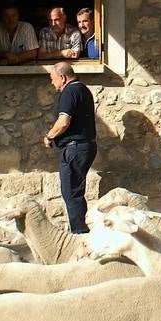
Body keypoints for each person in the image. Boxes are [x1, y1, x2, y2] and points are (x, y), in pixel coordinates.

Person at [42, 62, 97, 233]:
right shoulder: (83, 90)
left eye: (53, 79)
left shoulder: (69, 91)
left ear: (62, 77)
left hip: (74, 148)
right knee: (75, 191)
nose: (52, 83)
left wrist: (49, 136)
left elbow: (63, 121)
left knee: (71, 192)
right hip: (85, 146)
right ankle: (79, 228)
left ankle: (79, 233)